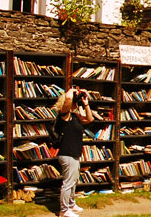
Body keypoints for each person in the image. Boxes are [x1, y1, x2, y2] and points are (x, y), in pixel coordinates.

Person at [53, 87, 93, 217]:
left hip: (74, 153)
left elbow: (89, 119)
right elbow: (69, 98)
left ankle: (71, 204)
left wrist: (86, 103)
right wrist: (72, 90)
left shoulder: (75, 116)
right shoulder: (63, 115)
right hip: (67, 153)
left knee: (73, 181)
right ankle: (64, 210)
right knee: (68, 183)